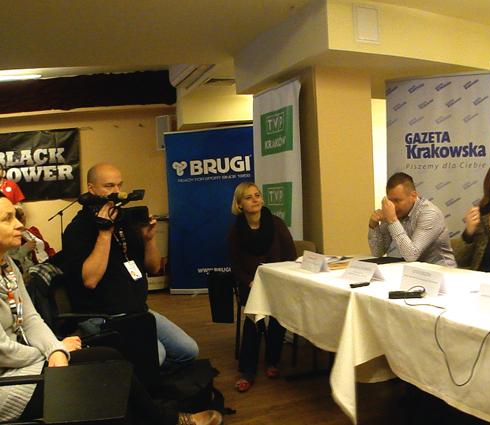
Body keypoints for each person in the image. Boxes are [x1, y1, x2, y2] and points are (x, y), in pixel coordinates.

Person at [0, 196, 223, 425]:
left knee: (113, 360)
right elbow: (4, 352)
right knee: (109, 379)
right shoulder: (80, 230)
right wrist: (54, 351)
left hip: (32, 360)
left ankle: (162, 418)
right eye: (7, 219)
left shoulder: (7, 264)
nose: (19, 225)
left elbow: (30, 319)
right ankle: (167, 420)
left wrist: (54, 349)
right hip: (10, 383)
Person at [58, 164, 199, 368]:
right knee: (156, 356)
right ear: (91, 189)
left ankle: (140, 372)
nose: (117, 192)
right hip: (103, 316)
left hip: (138, 310)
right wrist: (104, 234)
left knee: (188, 351)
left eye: (119, 185)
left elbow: (153, 268)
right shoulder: (78, 229)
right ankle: (135, 374)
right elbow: (90, 280)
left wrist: (149, 240)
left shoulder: (123, 220)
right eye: (109, 186)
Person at [226, 182, 296, 392]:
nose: (255, 200)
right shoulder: (235, 232)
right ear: (240, 204)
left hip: (277, 282)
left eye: (257, 195)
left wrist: (277, 280)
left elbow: (291, 256)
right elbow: (236, 268)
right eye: (249, 197)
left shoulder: (276, 224)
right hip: (251, 284)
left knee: (277, 315)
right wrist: (251, 282)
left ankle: (272, 361)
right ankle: (248, 370)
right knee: (254, 317)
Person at [366, 173, 456, 267]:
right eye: (390, 200)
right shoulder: (395, 212)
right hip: (414, 270)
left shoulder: (429, 213)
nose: (393, 206)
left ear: (413, 196)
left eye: (397, 200)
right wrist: (373, 225)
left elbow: (411, 255)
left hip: (441, 270)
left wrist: (393, 220)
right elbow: (378, 252)